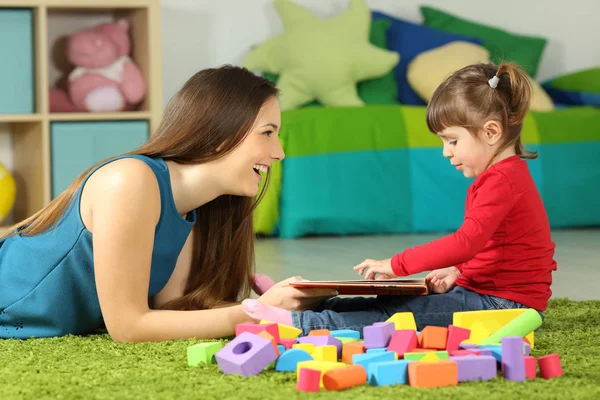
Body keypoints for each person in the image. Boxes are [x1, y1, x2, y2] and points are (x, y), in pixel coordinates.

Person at [0, 65, 336, 341]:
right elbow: (128, 327)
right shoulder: (130, 180)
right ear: (221, 132)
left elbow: (171, 311)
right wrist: (258, 313)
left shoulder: (192, 205)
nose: (279, 153)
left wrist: (282, 301)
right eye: (267, 133)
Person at [242, 62, 557, 335]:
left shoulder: (501, 181)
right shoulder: (502, 177)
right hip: (490, 293)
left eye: (452, 141)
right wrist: (459, 271)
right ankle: (302, 307)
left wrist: (398, 264)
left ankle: (299, 323)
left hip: (505, 305)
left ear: (491, 132)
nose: (447, 152)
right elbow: (497, 245)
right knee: (392, 301)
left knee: (398, 317)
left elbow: (467, 242)